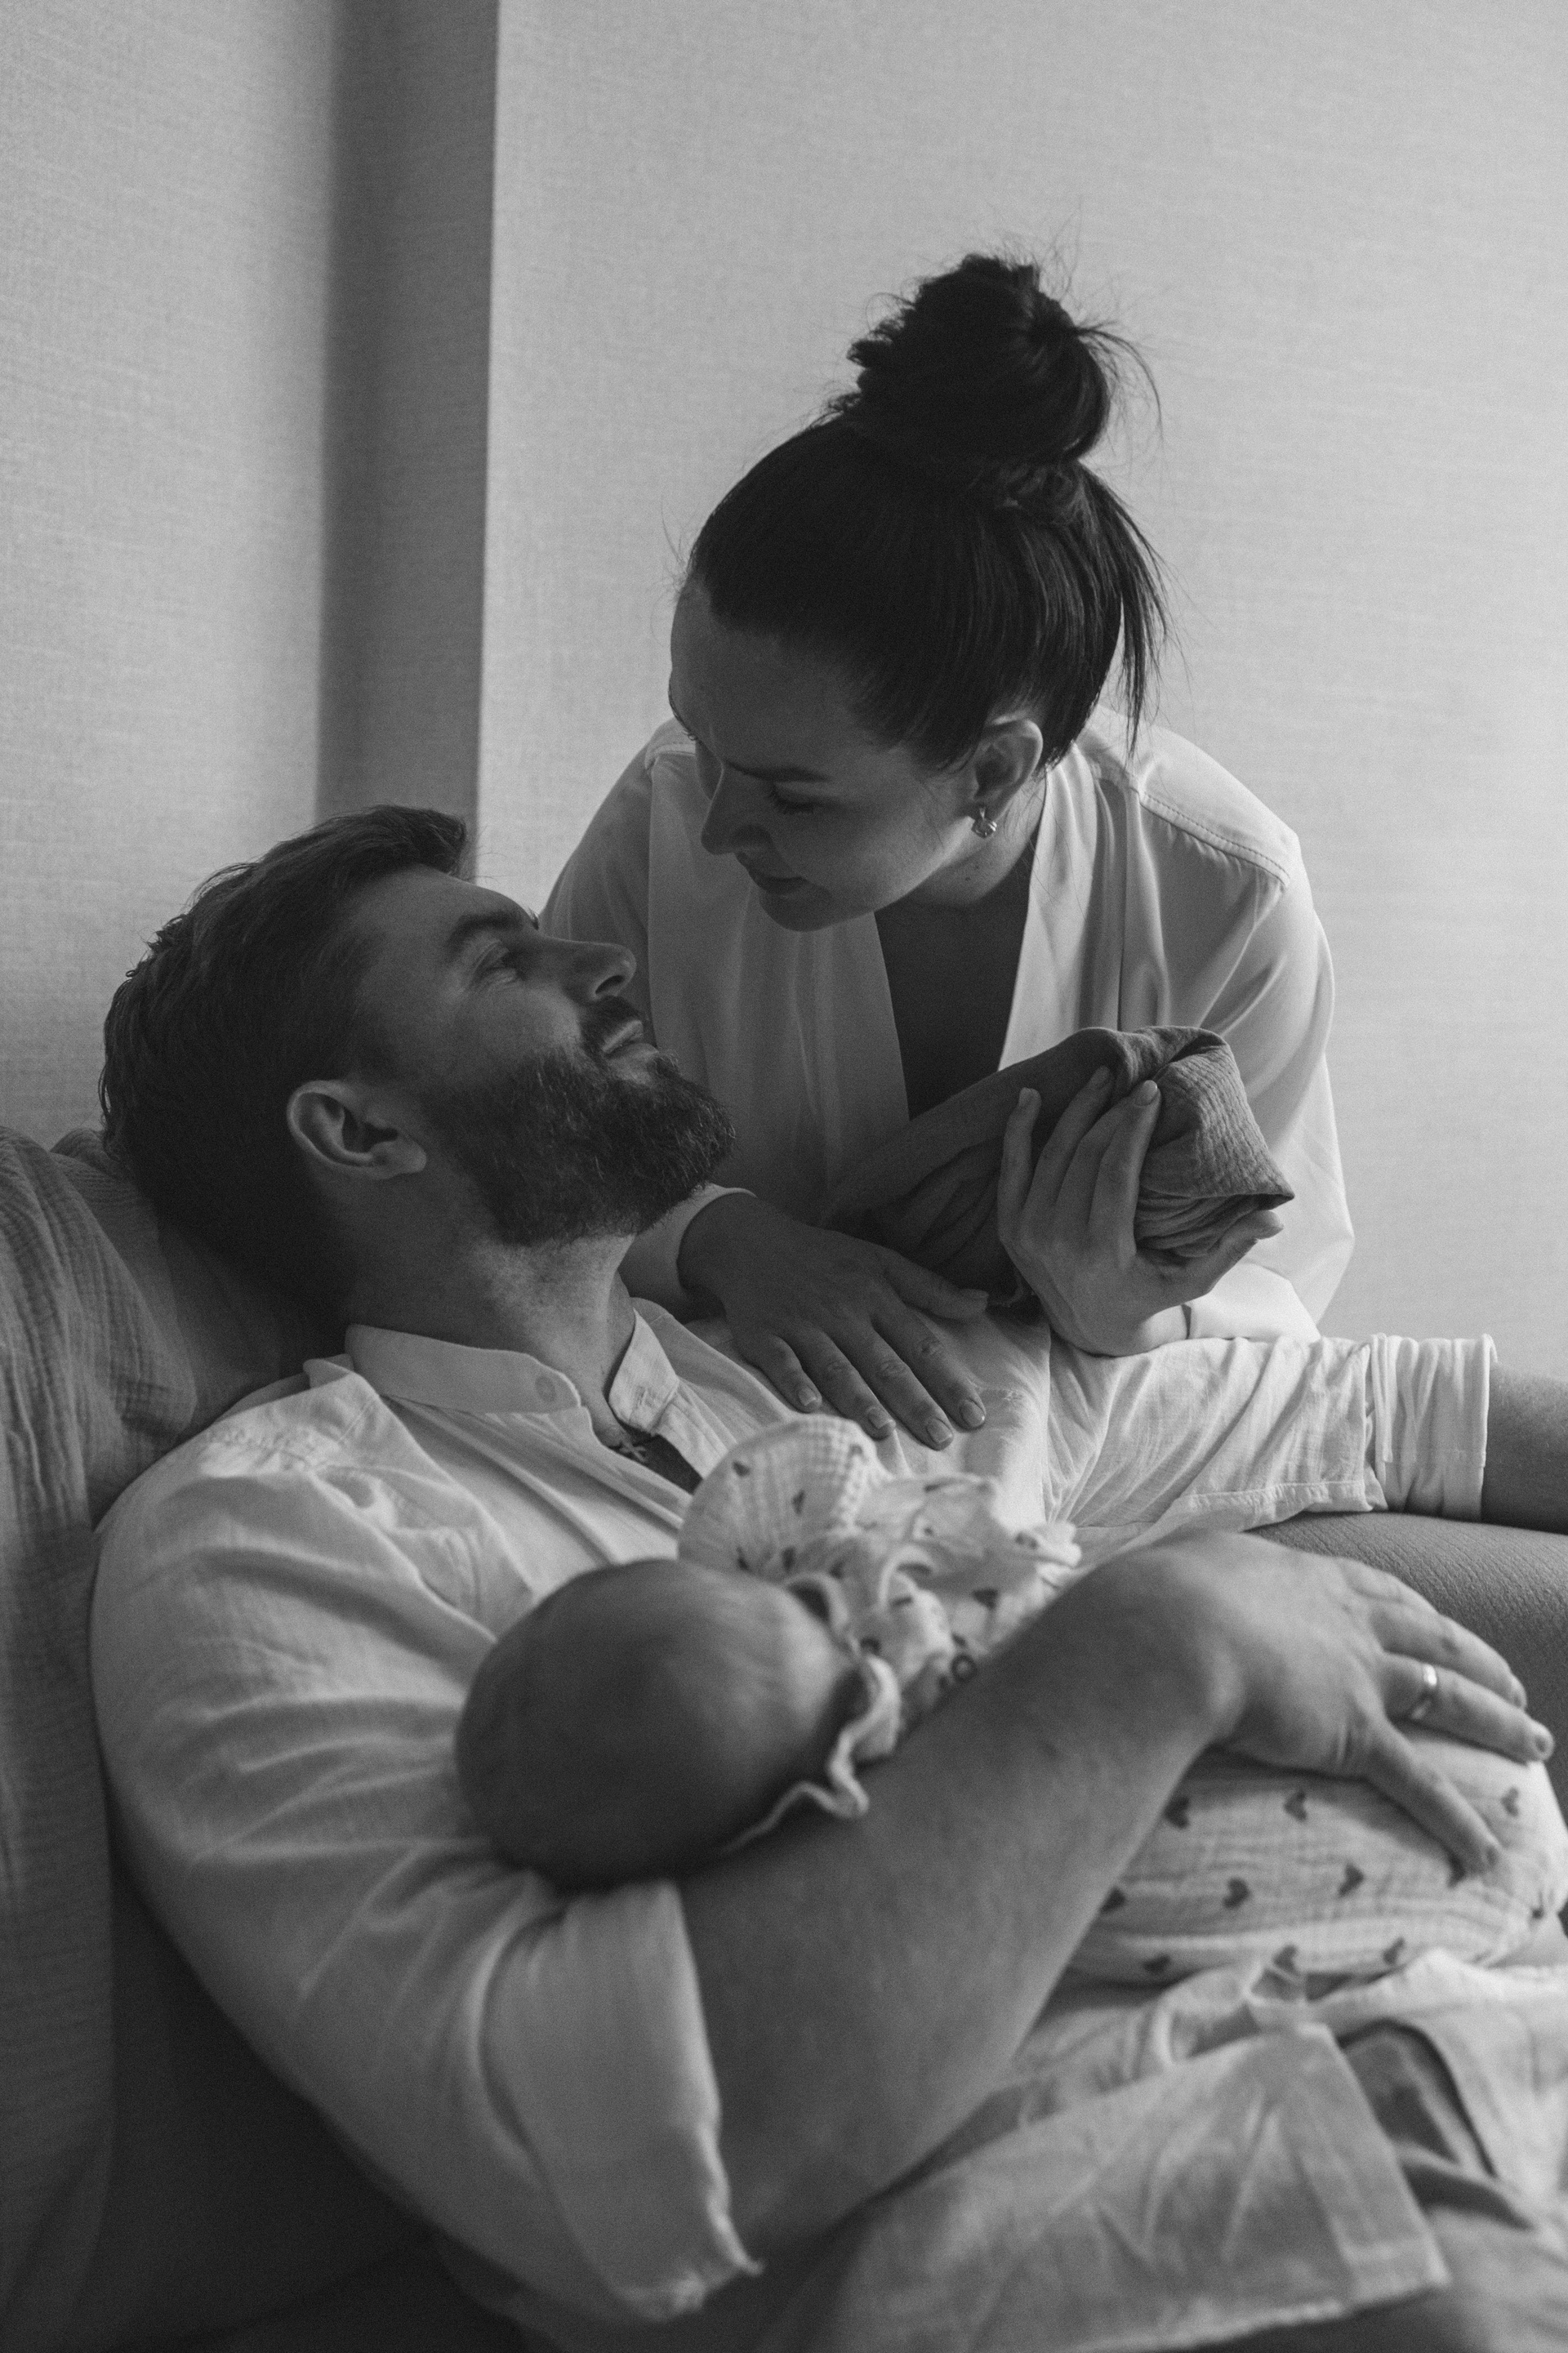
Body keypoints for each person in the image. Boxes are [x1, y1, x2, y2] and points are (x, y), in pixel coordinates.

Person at [90, 809, 1568, 2351]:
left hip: (1477, 2031)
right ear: (357, 1131)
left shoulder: (833, 1372)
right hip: (1199, 2208)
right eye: (502, 960)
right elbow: (635, 2157)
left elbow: (1402, 1409)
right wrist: (1162, 1640)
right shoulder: (262, 1535)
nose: (601, 961)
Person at [544, 250, 1352, 1451]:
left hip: (1072, 1472)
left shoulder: (1224, 900)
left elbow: (1282, 1303)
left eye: (793, 796)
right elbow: (523, 1148)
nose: (715, 823)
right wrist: (715, 1233)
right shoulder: (658, 824)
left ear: (991, 772)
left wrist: (1128, 1311)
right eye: (700, 735)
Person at [457, 1417, 1568, 1984]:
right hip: (1376, 1865)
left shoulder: (793, 1791)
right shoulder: (896, 1793)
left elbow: (1371, 1405)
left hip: (1441, 1819)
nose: (850, 1614)